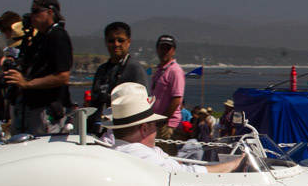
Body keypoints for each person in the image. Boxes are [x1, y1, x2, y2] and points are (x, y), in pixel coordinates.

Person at [104, 93, 244, 173]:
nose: (156, 130)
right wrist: (233, 164)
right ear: (144, 129)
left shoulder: (118, 149)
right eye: (155, 124)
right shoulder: (136, 152)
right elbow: (187, 174)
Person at [4, 0, 73, 136]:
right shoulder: (41, 37)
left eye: (35, 11)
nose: (31, 15)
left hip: (47, 110)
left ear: (50, 13)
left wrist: (27, 84)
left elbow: (63, 76)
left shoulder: (58, 36)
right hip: (32, 108)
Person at [87, 22, 147, 133]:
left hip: (123, 131)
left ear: (128, 42)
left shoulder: (135, 69)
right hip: (97, 129)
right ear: (106, 42)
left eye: (120, 40)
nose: (116, 44)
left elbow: (142, 105)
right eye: (111, 41)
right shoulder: (101, 70)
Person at [149, 34, 185, 155]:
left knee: (167, 158)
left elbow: (176, 99)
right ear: (157, 49)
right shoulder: (160, 70)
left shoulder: (175, 70)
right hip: (157, 123)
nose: (164, 51)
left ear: (173, 51)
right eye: (162, 48)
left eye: (167, 48)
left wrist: (163, 119)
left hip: (167, 125)